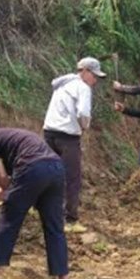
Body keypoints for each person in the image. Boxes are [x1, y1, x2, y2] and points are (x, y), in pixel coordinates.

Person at [0, 112, 71, 279]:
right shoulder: (12, 136)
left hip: (33, 169)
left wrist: (13, 199)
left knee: (10, 219)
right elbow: (17, 178)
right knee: (54, 225)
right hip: (56, 169)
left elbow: (3, 178)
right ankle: (63, 278)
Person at [43, 57, 106, 233]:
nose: (95, 81)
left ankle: (44, 211)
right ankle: (70, 220)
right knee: (72, 178)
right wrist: (85, 127)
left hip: (49, 133)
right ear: (85, 72)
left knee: (50, 174)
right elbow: (84, 113)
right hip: (67, 138)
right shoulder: (83, 87)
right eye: (94, 76)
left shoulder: (63, 83)